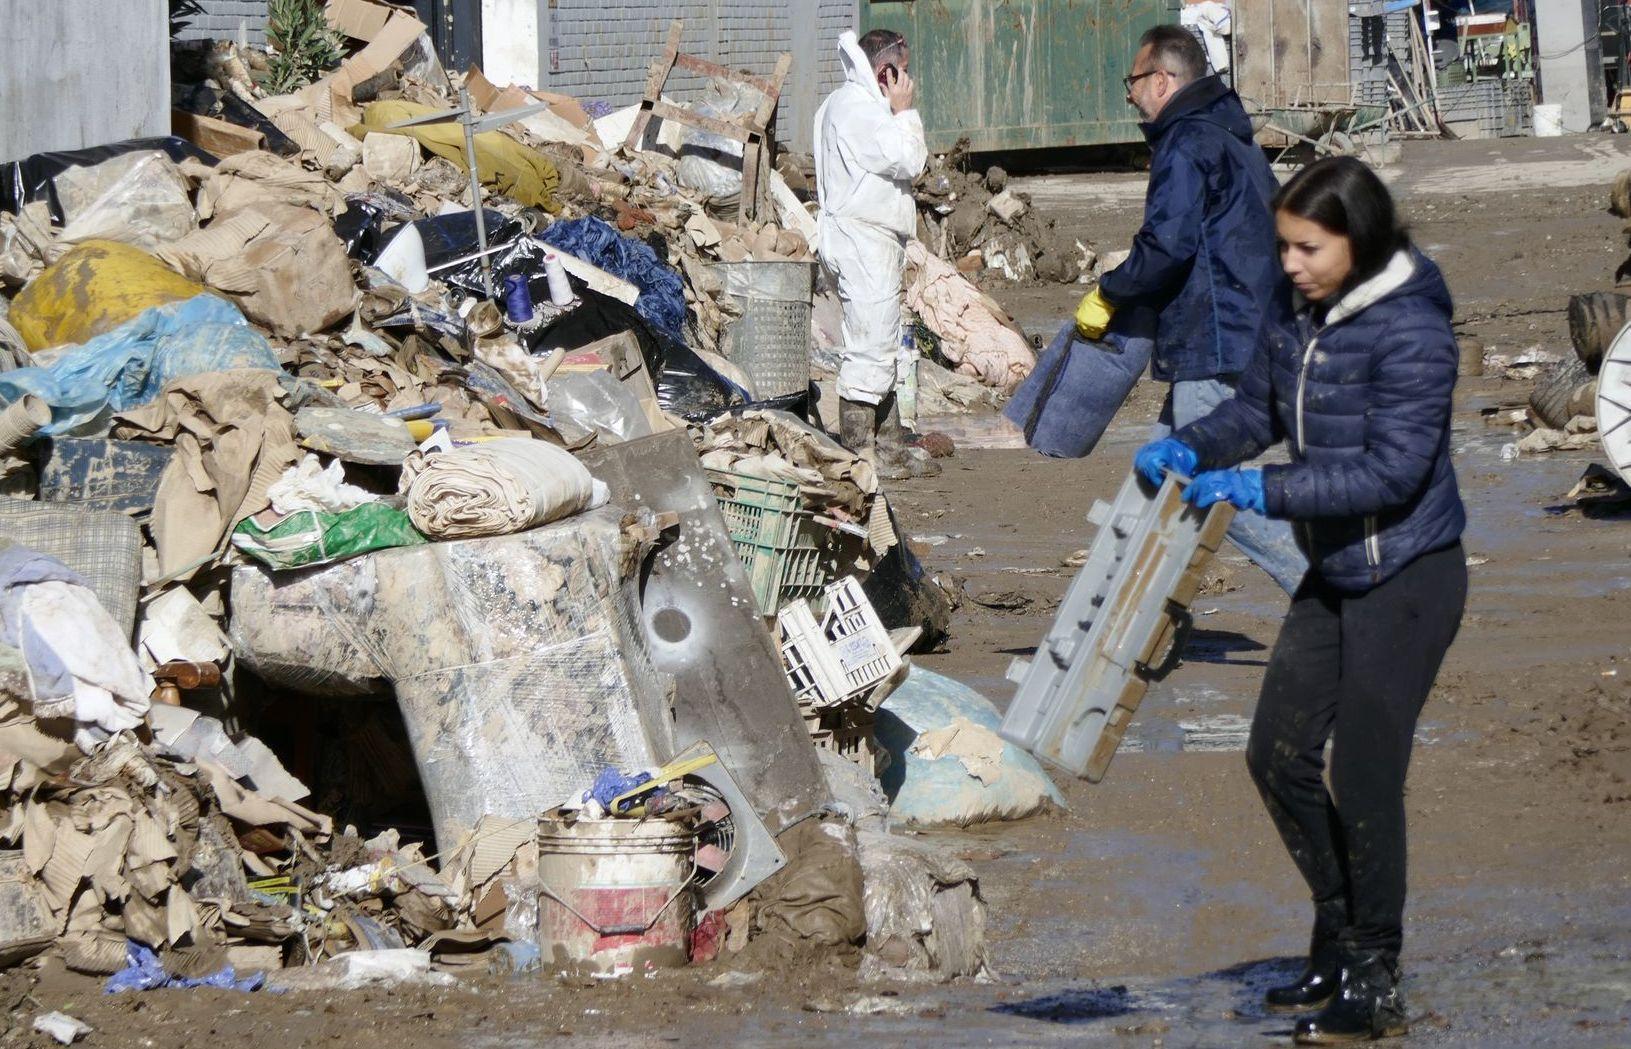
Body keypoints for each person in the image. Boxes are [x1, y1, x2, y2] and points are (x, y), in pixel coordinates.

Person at [1135, 156, 1468, 1044]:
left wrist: (1259, 493)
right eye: (1282, 246)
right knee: (1274, 753)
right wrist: (1192, 446)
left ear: (1356, 243)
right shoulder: (1298, 313)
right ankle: (1336, 924)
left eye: (1305, 248)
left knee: (1361, 776)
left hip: (1408, 573)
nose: (1287, 264)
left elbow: (1393, 473)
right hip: (1337, 570)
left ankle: (1372, 971)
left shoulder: (1413, 329)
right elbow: (1254, 410)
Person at [1085, 25, 1307, 593]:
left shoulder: (1186, 142)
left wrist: (1111, 291)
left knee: (1201, 481)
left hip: (1216, 340)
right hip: (1247, 329)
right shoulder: (1233, 135)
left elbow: (1167, 245)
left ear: (1161, 80)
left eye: (1132, 82)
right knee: (1155, 470)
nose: (1130, 95)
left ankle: (1325, 590)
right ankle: (1124, 612)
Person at [813, 28, 938, 480]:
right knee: (870, 343)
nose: (907, 79)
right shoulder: (858, 109)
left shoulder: (847, 104)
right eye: (901, 70)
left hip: (864, 238)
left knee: (879, 338)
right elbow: (908, 159)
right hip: (863, 240)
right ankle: (860, 454)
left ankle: (888, 444)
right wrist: (905, 113)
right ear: (884, 71)